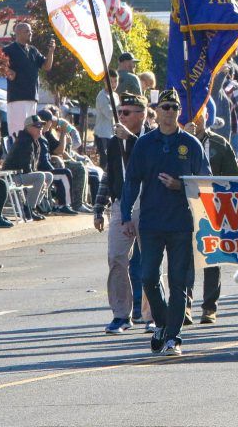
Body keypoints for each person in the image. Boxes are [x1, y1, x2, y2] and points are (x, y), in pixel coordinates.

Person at [120, 89, 207, 356]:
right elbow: (132, 181)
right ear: (156, 111)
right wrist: (126, 216)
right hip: (151, 222)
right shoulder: (144, 144)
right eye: (165, 107)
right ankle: (161, 324)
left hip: (181, 222)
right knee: (147, 276)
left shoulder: (191, 144)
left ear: (180, 112)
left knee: (179, 283)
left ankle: (173, 337)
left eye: (174, 108)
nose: (169, 112)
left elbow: (204, 183)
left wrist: (180, 185)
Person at [94, 93, 152, 334]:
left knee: (151, 262)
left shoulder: (152, 138)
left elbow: (149, 162)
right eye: (120, 112)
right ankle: (121, 315)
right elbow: (110, 175)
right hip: (121, 205)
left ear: (142, 114)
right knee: (117, 258)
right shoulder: (113, 142)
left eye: (126, 113)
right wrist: (99, 208)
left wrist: (131, 140)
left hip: (149, 204)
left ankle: (152, 315)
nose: (121, 117)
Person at [186, 106, 238, 324]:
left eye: (200, 113)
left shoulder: (219, 144)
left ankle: (209, 307)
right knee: (184, 258)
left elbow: (234, 178)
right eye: (192, 113)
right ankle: (185, 305)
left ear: (207, 116)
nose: (196, 118)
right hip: (183, 206)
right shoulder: (177, 141)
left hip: (213, 207)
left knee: (211, 258)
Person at [2, 22, 55, 136]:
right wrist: (9, 72)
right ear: (18, 33)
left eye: (30, 31)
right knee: (18, 130)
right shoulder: (9, 50)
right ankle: (16, 152)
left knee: (31, 130)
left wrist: (51, 51)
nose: (30, 33)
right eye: (27, 31)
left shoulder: (33, 50)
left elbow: (47, 66)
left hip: (32, 96)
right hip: (17, 97)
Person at [0, 115, 56, 219]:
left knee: (48, 176)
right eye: (37, 126)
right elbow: (26, 167)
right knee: (40, 177)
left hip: (21, 174)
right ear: (28, 127)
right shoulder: (25, 141)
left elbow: (31, 167)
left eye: (42, 125)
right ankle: (29, 209)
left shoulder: (33, 140)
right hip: (12, 177)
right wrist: (39, 179)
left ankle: (34, 206)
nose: (41, 128)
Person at [94, 71, 118, 168]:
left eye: (115, 81)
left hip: (112, 134)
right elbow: (109, 114)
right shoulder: (102, 96)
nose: (113, 84)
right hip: (102, 134)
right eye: (111, 81)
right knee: (104, 162)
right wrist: (121, 108)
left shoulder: (115, 96)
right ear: (105, 81)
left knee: (112, 162)